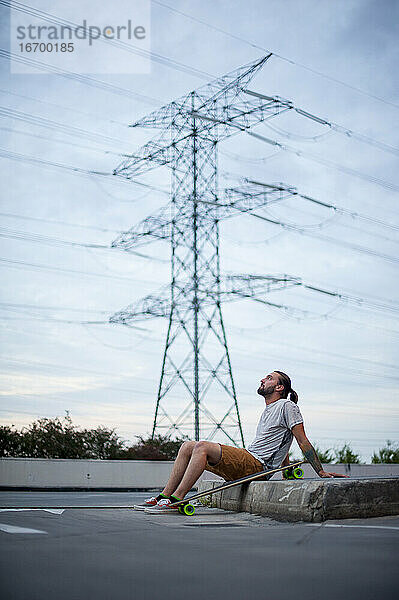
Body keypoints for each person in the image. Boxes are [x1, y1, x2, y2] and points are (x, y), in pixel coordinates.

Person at [134, 370, 347, 513]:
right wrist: (286, 467)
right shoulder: (269, 410)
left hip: (255, 465)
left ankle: (176, 500)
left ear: (280, 387)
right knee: (187, 446)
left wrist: (320, 471)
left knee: (201, 447)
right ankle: (164, 495)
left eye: (269, 378)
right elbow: (282, 442)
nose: (262, 380)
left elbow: (302, 440)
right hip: (250, 461)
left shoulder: (287, 407)